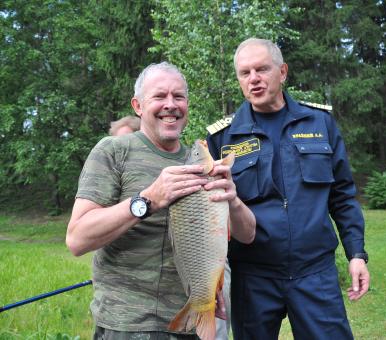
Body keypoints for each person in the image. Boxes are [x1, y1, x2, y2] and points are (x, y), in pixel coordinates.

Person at [66, 62, 255, 340]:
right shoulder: (113, 151)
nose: (171, 104)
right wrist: (148, 200)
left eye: (178, 97)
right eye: (159, 96)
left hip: (194, 323)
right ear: (138, 106)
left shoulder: (199, 162)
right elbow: (77, 239)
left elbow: (247, 235)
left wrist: (233, 199)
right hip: (129, 326)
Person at [207, 38, 370, 339]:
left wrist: (356, 254)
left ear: (282, 72)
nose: (253, 79)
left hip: (315, 273)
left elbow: (343, 196)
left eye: (261, 69)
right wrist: (213, 280)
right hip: (253, 277)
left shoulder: (320, 123)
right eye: (245, 73)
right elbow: (212, 216)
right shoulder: (223, 137)